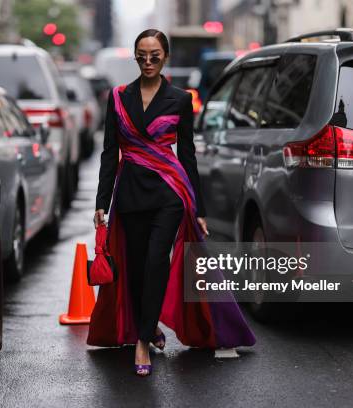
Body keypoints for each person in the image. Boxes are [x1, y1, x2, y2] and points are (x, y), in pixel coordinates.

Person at [88, 29, 256, 377]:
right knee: (134, 267)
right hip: (131, 192)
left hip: (169, 193)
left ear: (165, 57)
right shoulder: (118, 97)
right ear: (135, 57)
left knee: (155, 262)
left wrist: (200, 207)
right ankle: (148, 327)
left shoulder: (180, 99)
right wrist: (101, 201)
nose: (148, 61)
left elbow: (188, 156)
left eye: (155, 55)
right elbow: (109, 152)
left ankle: (141, 340)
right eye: (141, 55)